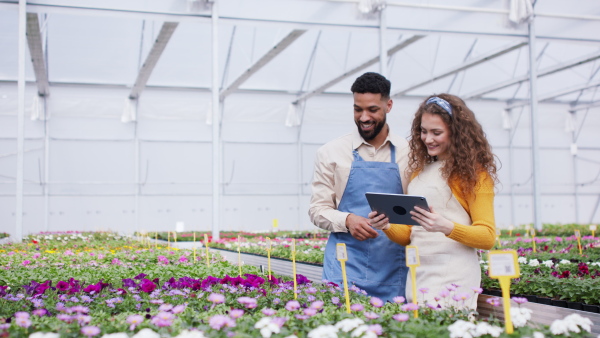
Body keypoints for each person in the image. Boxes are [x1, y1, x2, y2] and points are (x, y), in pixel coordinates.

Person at [369, 93, 498, 310]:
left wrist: (446, 226)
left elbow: (487, 237)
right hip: (419, 272)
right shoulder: (419, 173)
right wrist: (387, 225)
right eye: (423, 131)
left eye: (437, 132)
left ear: (456, 133)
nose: (428, 139)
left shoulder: (474, 175)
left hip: (455, 275)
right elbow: (411, 234)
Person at [308, 72, 409, 302]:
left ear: (389, 105)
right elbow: (317, 209)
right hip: (345, 266)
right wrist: (348, 220)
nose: (364, 117)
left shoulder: (409, 152)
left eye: (372, 110)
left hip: (395, 267)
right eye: (357, 109)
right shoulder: (331, 152)